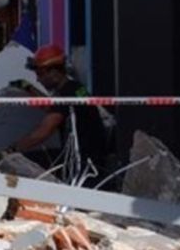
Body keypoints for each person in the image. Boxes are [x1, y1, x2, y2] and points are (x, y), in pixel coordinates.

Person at [10, 45, 109, 175]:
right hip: (90, 156)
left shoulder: (66, 94)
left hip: (81, 162)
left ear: (54, 73)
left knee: (21, 165)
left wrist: (12, 151)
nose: (37, 79)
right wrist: (29, 89)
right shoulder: (74, 88)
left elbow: (43, 131)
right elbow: (52, 107)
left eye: (40, 74)